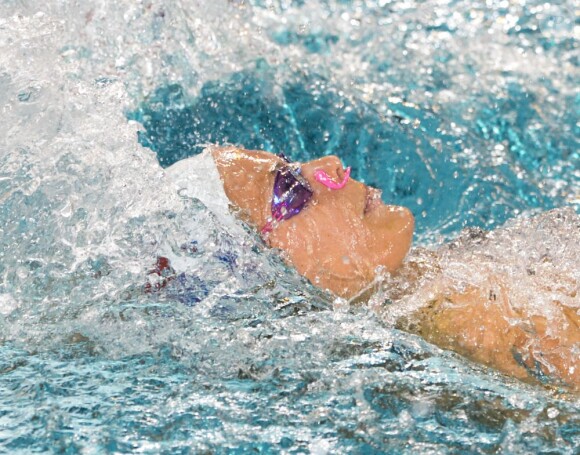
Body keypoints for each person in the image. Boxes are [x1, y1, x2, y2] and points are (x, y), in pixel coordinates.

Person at [163, 146, 579, 390]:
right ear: (269, 271)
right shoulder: (474, 320)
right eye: (291, 186)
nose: (327, 164)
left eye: (291, 161)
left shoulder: (428, 295)